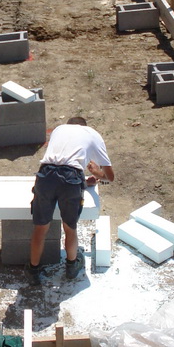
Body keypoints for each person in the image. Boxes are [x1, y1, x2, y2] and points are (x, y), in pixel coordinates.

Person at [28, 116, 114, 284]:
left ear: (69, 125)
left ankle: (33, 271)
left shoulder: (59, 130)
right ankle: (72, 267)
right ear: (84, 126)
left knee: (41, 228)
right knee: (69, 228)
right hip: (71, 179)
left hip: (45, 176)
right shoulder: (93, 134)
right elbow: (110, 177)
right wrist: (96, 173)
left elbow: (59, 165)